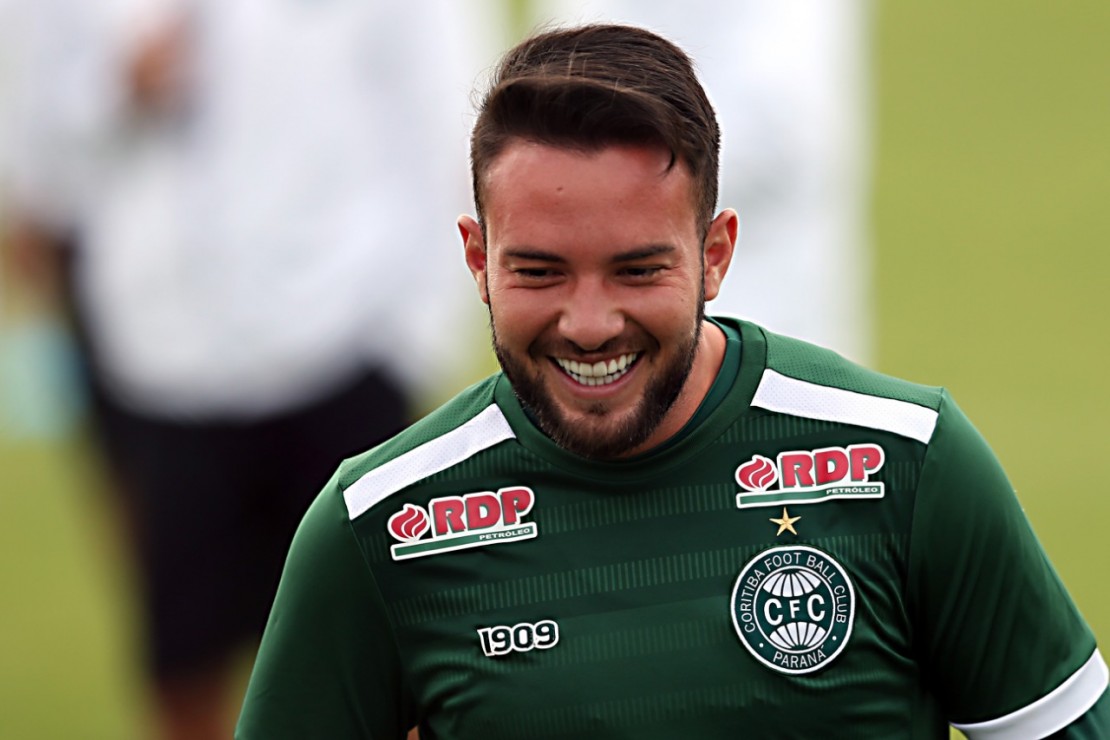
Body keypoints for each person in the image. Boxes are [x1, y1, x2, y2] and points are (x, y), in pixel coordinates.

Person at [236, 23, 1108, 738]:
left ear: (715, 253)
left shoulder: (906, 467)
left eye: (637, 270)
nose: (589, 322)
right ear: (477, 259)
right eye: (539, 272)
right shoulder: (381, 528)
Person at [6, 0, 493, 737]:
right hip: (160, 357)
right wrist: (115, 91)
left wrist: (410, 339)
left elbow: (447, 109)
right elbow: (35, 159)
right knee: (182, 666)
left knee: (376, 672)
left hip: (342, 338)